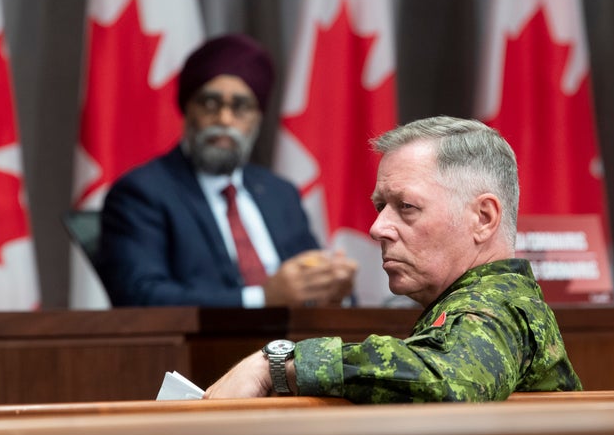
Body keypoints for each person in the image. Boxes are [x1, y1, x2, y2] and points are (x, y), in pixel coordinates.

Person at [204, 116, 582, 403]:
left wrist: (277, 365)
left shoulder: (494, 307)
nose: (377, 228)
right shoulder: (477, 301)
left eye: (406, 207)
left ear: (483, 218)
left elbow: (450, 381)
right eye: (381, 206)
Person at [97, 33, 357, 308]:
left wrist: (333, 287)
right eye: (210, 103)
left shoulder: (280, 194)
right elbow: (140, 296)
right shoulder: (142, 193)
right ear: (187, 109)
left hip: (294, 346)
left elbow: (309, 280)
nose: (224, 119)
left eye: (241, 107)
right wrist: (263, 299)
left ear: (257, 117)